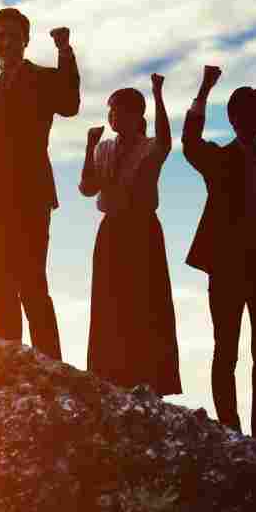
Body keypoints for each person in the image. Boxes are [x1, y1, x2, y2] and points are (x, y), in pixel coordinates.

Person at [181, 65, 256, 443]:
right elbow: (189, 141)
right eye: (245, 115)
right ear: (233, 119)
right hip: (228, 269)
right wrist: (203, 89)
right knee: (226, 350)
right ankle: (231, 429)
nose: (252, 121)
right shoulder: (219, 160)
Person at [0, 8, 80, 357]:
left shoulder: (41, 78)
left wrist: (65, 52)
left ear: (25, 41)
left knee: (32, 285)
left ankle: (50, 365)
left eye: (12, 36)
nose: (5, 42)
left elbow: (69, 103)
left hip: (30, 197)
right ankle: (9, 361)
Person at [81, 74, 181, 395]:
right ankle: (110, 375)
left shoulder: (150, 147)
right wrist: (88, 147)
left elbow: (166, 139)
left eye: (120, 111)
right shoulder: (104, 148)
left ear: (138, 116)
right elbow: (87, 188)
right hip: (111, 230)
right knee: (109, 303)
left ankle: (150, 378)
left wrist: (158, 94)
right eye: (110, 111)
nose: (113, 117)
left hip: (142, 230)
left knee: (145, 305)